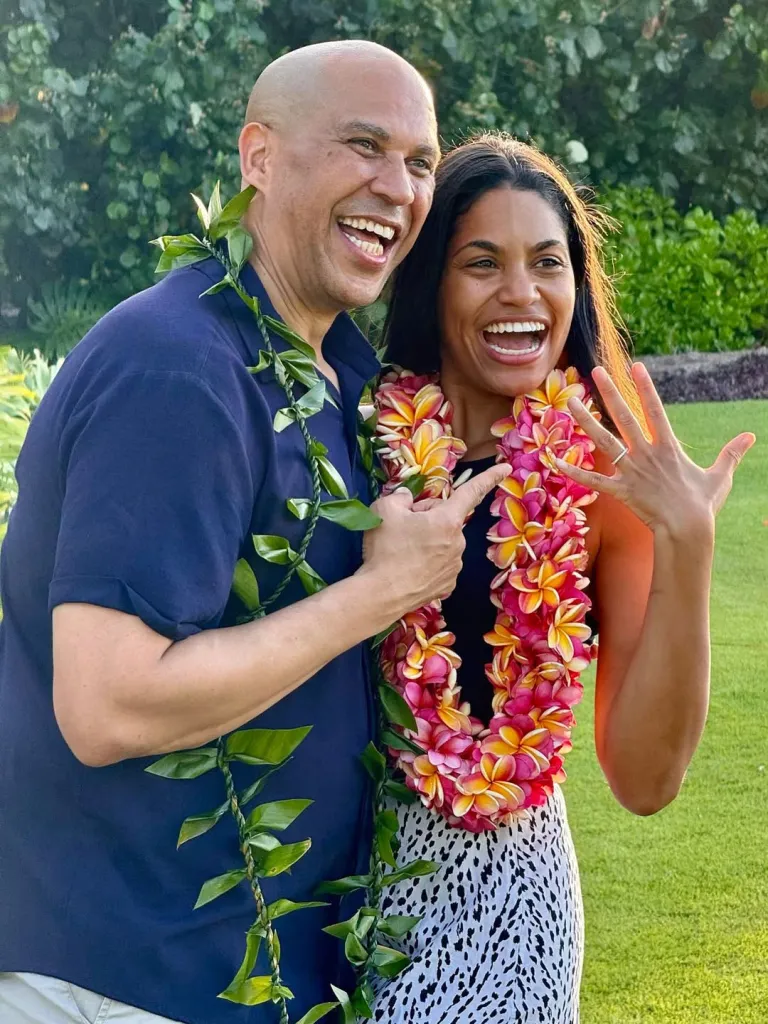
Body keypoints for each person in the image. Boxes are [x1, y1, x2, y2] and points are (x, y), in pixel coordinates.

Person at [0, 44, 511, 1024]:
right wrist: (375, 593)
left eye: (418, 160)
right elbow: (107, 705)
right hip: (114, 979)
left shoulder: (345, 378)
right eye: (363, 144)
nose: (396, 188)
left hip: (252, 980)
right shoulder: (178, 365)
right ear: (259, 156)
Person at [370, 134, 755, 1024]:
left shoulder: (599, 482)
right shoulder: (359, 444)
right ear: (432, 282)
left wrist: (686, 542)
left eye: (548, 262)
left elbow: (644, 779)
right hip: (348, 889)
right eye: (482, 263)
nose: (522, 294)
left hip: (519, 904)